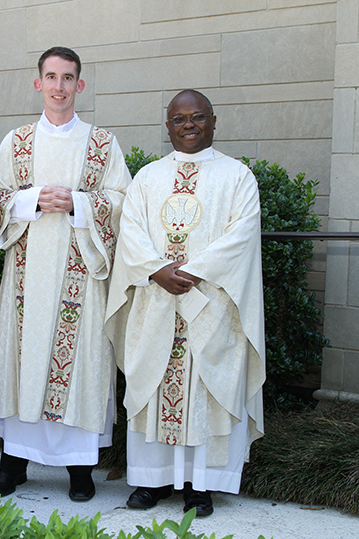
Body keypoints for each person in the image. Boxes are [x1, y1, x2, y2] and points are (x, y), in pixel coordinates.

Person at [0, 46, 130, 502]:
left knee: (80, 365)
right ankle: (13, 464)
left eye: (68, 78)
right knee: (20, 365)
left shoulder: (102, 144)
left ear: (79, 85)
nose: (59, 87)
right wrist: (31, 201)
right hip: (25, 279)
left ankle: (80, 469)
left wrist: (80, 204)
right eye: (51, 77)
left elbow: (123, 202)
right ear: (38, 83)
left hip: (80, 280)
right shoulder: (17, 142)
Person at [105, 89, 265, 516]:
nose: (188, 125)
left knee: (206, 388)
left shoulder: (237, 177)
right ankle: (150, 482)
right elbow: (131, 232)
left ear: (214, 121)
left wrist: (195, 270)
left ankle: (201, 485)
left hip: (212, 307)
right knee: (153, 385)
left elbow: (242, 235)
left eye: (197, 117)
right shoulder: (148, 177)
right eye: (179, 119)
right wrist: (157, 269)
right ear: (168, 126)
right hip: (155, 304)